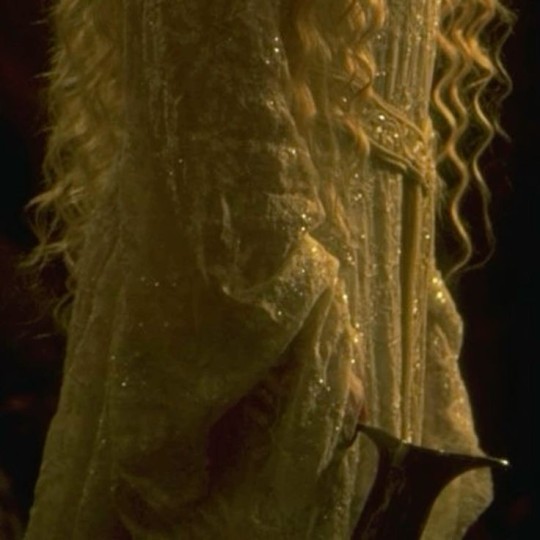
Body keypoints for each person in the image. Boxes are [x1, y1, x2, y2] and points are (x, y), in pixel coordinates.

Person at [23, 0, 513, 538]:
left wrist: (418, 331)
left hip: (372, 315)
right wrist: (307, 344)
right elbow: (217, 124)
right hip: (262, 310)